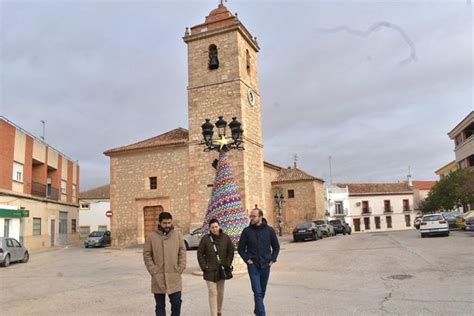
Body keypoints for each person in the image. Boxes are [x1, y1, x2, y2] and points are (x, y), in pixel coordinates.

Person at [238, 209, 280, 316]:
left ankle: (257, 310)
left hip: (266, 265)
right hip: (253, 266)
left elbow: (276, 247)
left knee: (262, 291)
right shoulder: (246, 231)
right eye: (250, 216)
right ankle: (261, 313)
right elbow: (241, 249)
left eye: (253, 216)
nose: (251, 218)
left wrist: (272, 259)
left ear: (260, 217)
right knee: (257, 291)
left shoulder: (269, 231)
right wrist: (247, 260)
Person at [143, 212, 186, 316]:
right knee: (160, 306)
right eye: (165, 223)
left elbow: (182, 252)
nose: (167, 225)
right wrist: (153, 270)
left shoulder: (178, 236)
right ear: (159, 223)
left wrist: (180, 267)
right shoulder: (151, 236)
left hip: (174, 276)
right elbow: (147, 254)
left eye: (169, 223)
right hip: (158, 277)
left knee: (176, 303)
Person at [197, 218, 235, 316]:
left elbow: (231, 251)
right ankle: (213, 314)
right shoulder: (205, 239)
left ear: (219, 226)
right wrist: (204, 266)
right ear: (209, 228)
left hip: (221, 270)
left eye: (216, 227)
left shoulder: (225, 237)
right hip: (209, 271)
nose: (214, 229)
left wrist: (227, 263)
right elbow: (200, 253)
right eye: (212, 227)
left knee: (220, 292)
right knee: (212, 292)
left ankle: (219, 311)